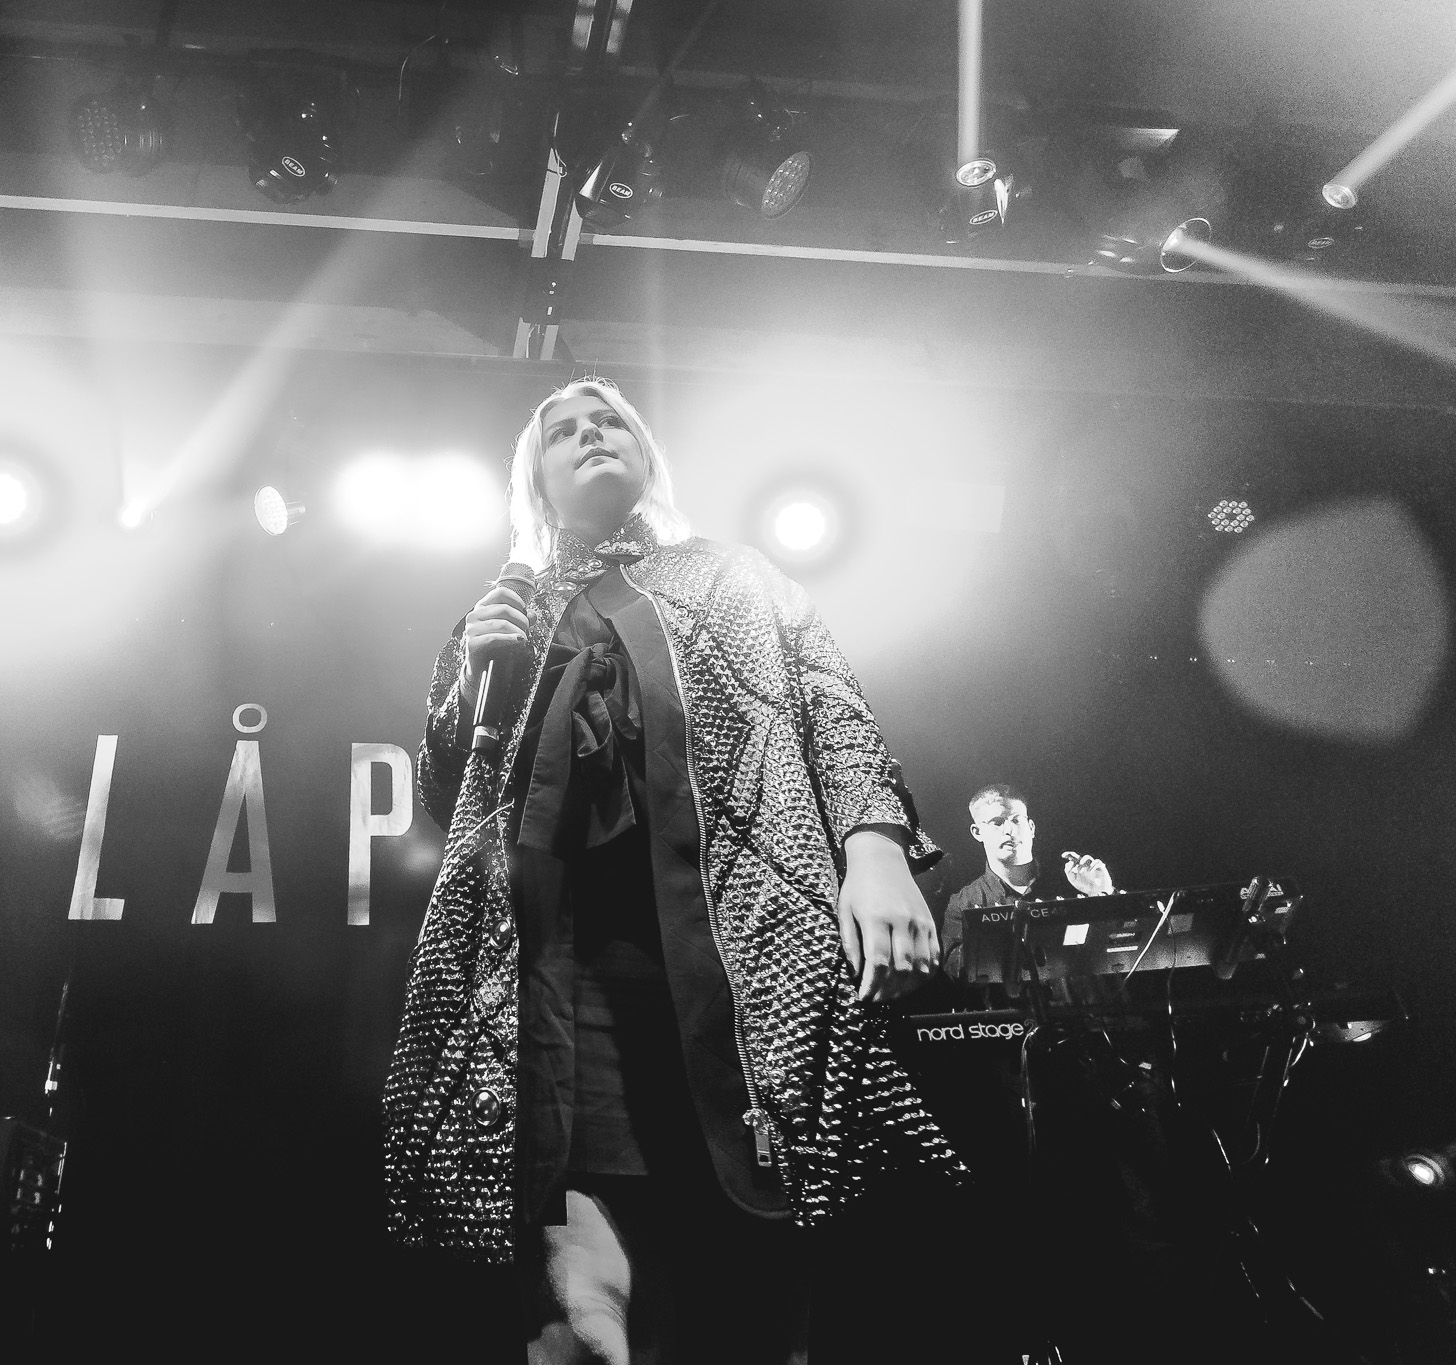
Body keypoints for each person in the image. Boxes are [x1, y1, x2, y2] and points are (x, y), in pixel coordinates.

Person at [383, 379, 963, 1363]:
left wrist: (875, 850)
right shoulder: (504, 609)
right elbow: (453, 795)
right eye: (562, 432)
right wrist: (472, 682)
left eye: (607, 419)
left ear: (645, 451)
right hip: (562, 975)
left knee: (762, 1254)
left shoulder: (738, 575)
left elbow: (833, 712)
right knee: (581, 1258)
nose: (589, 434)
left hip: (742, 951)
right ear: (535, 480)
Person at [939, 783, 1114, 979]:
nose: (1009, 830)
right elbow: (955, 972)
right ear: (977, 832)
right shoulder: (963, 903)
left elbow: (1115, 949)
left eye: (1016, 820)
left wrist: (1102, 894)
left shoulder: (1072, 886)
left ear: (1031, 828)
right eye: (997, 822)